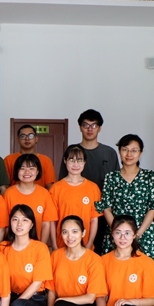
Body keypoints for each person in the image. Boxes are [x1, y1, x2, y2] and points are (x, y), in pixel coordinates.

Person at [96, 134, 154, 279]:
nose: (129, 154)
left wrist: (137, 234)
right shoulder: (111, 177)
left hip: (144, 232)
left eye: (134, 150)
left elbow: (153, 207)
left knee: (146, 276)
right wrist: (118, 231)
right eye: (125, 149)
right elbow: (106, 207)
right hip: (117, 234)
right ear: (119, 151)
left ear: (140, 153)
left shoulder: (149, 176)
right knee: (113, 276)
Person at [58, 109, 119, 254]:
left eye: (94, 125)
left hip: (104, 212)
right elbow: (62, 182)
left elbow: (116, 184)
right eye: (86, 125)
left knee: (99, 251)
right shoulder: (72, 152)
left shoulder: (109, 153)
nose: (90, 129)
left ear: (100, 128)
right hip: (77, 210)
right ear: (80, 127)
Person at [49, 144, 101, 250]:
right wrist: (54, 245)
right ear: (65, 161)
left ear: (85, 162)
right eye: (71, 160)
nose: (75, 164)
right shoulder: (55, 188)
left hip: (85, 245)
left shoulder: (93, 188)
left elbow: (94, 220)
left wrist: (89, 243)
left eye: (79, 160)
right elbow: (52, 221)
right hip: (61, 245)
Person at [3, 154, 58, 245]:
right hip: (13, 246)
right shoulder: (8, 194)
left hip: (36, 246)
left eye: (31, 168)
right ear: (17, 171)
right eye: (22, 168)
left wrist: (41, 247)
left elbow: (46, 225)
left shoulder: (44, 194)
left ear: (37, 171)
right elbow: (5, 225)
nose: (27, 172)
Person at [4, 125, 56, 189]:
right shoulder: (8, 159)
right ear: (18, 140)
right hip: (15, 194)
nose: (27, 139)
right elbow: (5, 186)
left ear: (36, 139)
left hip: (40, 195)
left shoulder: (46, 160)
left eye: (31, 136)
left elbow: (50, 187)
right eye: (23, 136)